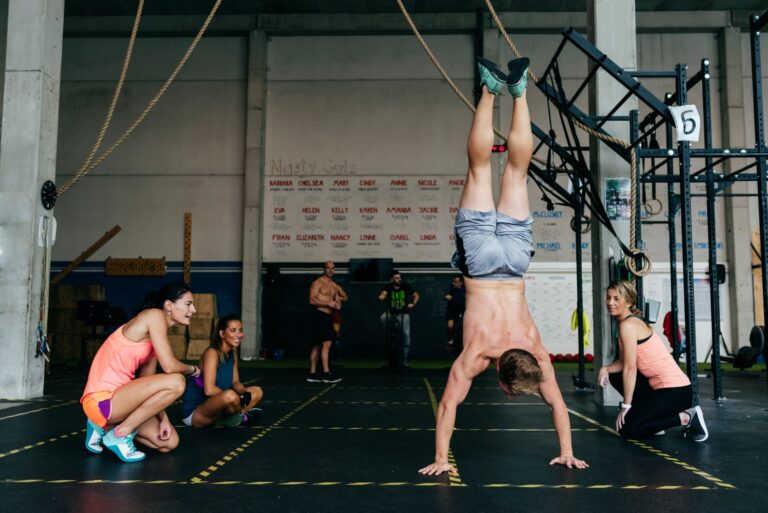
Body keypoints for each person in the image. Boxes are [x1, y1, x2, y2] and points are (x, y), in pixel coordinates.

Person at [419, 57, 587, 476]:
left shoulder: (537, 353)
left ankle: (519, 90)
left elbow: (557, 406)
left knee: (516, 170)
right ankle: (489, 89)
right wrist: (441, 459)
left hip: (513, 265)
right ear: (500, 373)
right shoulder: (477, 356)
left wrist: (568, 449)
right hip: (478, 265)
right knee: (478, 168)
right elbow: (447, 405)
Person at [80, 281, 200, 463]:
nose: (194, 310)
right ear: (168, 305)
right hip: (102, 401)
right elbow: (170, 367)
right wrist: (193, 369)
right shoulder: (153, 316)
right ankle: (119, 433)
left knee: (169, 442)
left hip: (121, 402)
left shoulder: (154, 337)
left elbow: (148, 383)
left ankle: (104, 427)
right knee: (177, 381)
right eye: (188, 304)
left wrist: (164, 418)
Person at [598, 280, 708, 441]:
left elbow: (630, 368)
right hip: (659, 389)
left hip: (675, 391)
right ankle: (654, 421)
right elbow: (623, 362)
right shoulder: (626, 323)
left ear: (628, 302)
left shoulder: (628, 325)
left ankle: (687, 417)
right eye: (608, 298)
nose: (610, 302)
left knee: (629, 429)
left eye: (616, 298)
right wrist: (605, 369)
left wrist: (626, 406)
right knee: (614, 374)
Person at [181, 314, 265, 427]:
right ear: (222, 334)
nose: (238, 335)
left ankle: (229, 418)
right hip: (196, 412)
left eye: (240, 330)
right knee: (230, 396)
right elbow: (209, 390)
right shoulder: (212, 353)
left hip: (221, 404)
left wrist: (244, 394)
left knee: (256, 391)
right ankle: (241, 416)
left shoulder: (233, 352)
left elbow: (235, 382)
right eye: (233, 330)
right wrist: (236, 398)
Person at [307, 260, 345, 383]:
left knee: (318, 345)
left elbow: (338, 301)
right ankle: (326, 374)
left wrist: (337, 304)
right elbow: (312, 300)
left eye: (333, 268)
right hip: (319, 315)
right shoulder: (317, 283)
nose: (330, 270)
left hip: (328, 317)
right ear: (324, 269)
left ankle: (312, 374)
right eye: (328, 268)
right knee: (326, 344)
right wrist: (328, 303)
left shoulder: (334, 286)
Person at [379, 270, 419, 368]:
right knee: (383, 318)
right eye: (396, 278)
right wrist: (382, 296)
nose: (399, 279)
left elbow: (416, 295)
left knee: (406, 334)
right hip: (391, 312)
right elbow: (383, 293)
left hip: (403, 313)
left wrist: (413, 304)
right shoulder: (388, 287)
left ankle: (405, 361)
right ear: (391, 279)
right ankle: (387, 335)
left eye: (399, 277)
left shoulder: (405, 286)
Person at [445, 274, 466, 352]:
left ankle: (463, 344)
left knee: (462, 330)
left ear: (461, 283)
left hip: (462, 312)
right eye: (453, 282)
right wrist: (447, 296)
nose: (454, 283)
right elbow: (446, 295)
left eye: (455, 282)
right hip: (452, 312)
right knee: (450, 326)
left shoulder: (465, 290)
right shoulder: (451, 288)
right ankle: (450, 340)